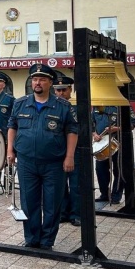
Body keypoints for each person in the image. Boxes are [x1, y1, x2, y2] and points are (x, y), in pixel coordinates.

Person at [7, 63, 78, 250]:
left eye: (42, 79)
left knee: (52, 204)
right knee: (29, 203)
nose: (38, 83)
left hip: (54, 163)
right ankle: (32, 239)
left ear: (50, 82)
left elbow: (72, 131)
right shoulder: (20, 103)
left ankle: (47, 242)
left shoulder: (63, 106)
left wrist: (69, 157)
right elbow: (12, 126)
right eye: (35, 79)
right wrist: (9, 150)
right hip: (26, 162)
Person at [93, 104, 135, 204]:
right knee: (100, 170)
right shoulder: (98, 106)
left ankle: (115, 196)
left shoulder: (123, 106)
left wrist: (117, 128)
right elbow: (91, 123)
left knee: (118, 170)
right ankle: (104, 194)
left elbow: (132, 124)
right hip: (102, 145)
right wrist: (94, 134)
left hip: (118, 142)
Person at [52, 76, 80, 225]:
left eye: (64, 90)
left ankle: (76, 214)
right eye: (58, 90)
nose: (61, 93)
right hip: (57, 150)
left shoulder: (77, 107)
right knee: (59, 184)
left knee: (76, 184)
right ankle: (63, 212)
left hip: (75, 150)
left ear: (70, 90)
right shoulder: (52, 106)